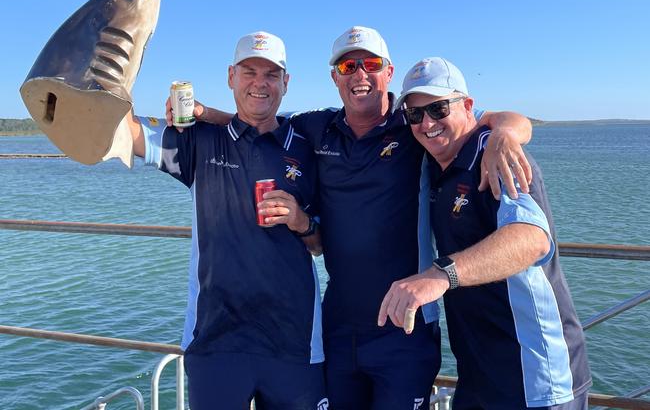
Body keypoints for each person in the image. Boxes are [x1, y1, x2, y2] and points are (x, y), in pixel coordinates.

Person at [174, 26, 534, 409]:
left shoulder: (414, 123)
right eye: (348, 65)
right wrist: (204, 113)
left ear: (388, 72)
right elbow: (259, 120)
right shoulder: (316, 128)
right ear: (335, 77)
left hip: (405, 327)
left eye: (371, 64)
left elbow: (492, 119)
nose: (359, 74)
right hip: (339, 326)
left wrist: (505, 136)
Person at [128, 31, 328, 410]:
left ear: (286, 83)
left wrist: (301, 221)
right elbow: (128, 133)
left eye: (271, 74)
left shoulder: (306, 148)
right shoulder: (199, 140)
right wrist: (125, 56)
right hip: (216, 340)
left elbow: (320, 245)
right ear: (230, 77)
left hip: (295, 343)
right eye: (249, 71)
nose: (259, 82)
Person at [379, 57, 592, 409]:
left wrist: (440, 274)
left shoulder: (496, 157)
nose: (427, 123)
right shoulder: (434, 165)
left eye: (437, 108)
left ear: (466, 106)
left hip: (536, 375)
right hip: (478, 375)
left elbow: (532, 238)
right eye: (415, 115)